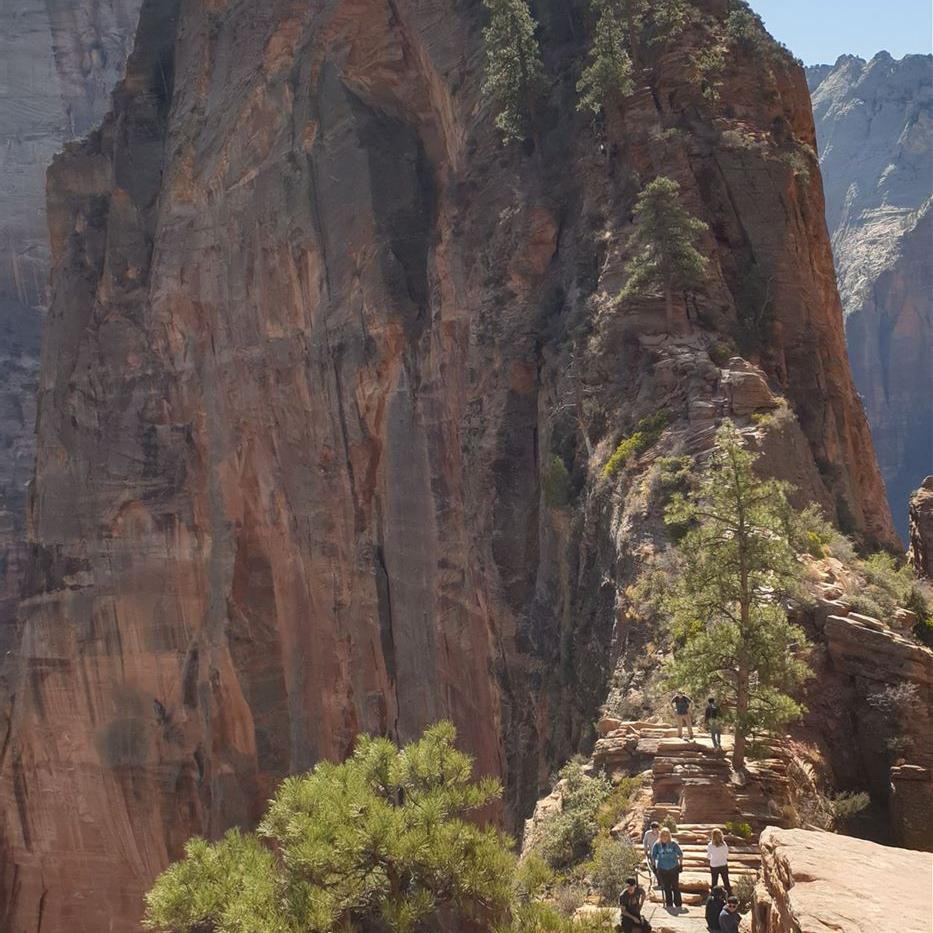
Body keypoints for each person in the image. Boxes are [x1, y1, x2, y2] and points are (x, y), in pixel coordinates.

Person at [650, 827, 683, 909]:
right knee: (666, 887)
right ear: (660, 836)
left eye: (666, 835)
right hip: (662, 869)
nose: (664, 837)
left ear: (669, 836)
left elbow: (680, 854)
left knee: (675, 887)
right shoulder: (657, 845)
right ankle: (669, 905)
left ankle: (678, 904)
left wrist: (681, 865)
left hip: (673, 868)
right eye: (663, 835)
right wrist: (654, 866)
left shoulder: (673, 844)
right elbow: (653, 856)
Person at [706, 828, 731, 895]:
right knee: (726, 882)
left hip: (714, 865)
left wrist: (712, 859)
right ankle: (730, 896)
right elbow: (727, 855)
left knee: (714, 882)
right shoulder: (724, 844)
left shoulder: (710, 845)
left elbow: (708, 856)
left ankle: (713, 897)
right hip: (723, 864)